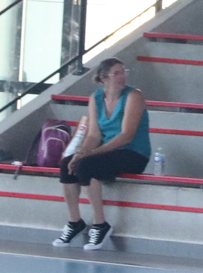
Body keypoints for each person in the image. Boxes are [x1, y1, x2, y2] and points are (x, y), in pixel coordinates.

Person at [52, 56, 151, 252]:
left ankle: (100, 224)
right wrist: (81, 152)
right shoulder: (96, 98)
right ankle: (75, 221)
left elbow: (126, 136)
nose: (122, 76)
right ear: (104, 77)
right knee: (68, 164)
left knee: (87, 166)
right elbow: (94, 134)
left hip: (133, 152)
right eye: (117, 73)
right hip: (106, 151)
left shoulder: (134, 96)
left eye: (124, 72)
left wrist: (90, 154)